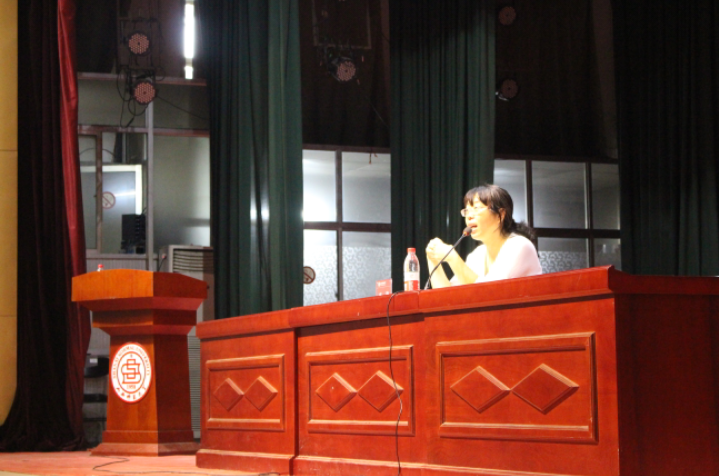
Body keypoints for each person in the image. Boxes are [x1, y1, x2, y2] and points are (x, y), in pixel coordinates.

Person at [426, 184, 542, 288]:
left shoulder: (519, 245)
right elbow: (448, 296)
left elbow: (488, 292)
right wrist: (433, 259)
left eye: (476, 208)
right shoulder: (478, 253)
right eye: (467, 211)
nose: (469, 216)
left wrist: (453, 258)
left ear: (500, 214)